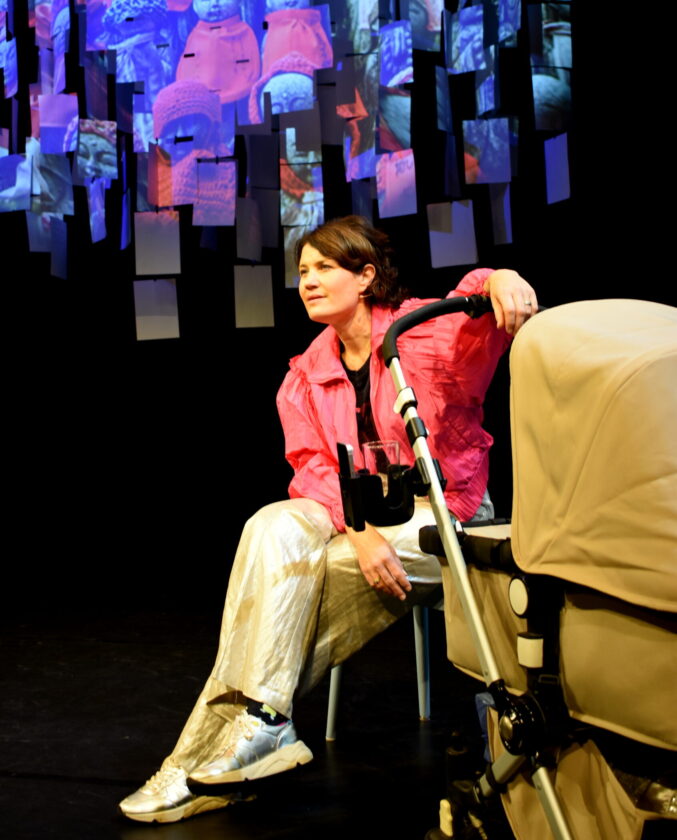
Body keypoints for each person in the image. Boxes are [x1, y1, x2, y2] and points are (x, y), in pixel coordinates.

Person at [119, 215, 537, 824]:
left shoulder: (422, 332)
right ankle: (257, 731)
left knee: (307, 588)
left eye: (323, 268)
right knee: (270, 525)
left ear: (365, 276)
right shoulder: (303, 378)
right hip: (363, 520)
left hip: (448, 516)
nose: (307, 282)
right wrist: (361, 531)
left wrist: (499, 275)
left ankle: (203, 757)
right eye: (302, 271)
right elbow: (313, 471)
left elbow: (478, 311)